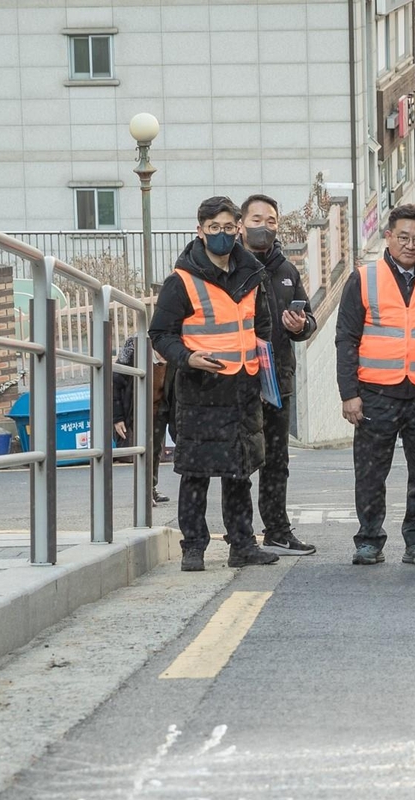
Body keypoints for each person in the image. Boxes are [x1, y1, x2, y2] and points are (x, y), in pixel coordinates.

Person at [150, 195, 277, 571]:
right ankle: (194, 548)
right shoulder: (182, 280)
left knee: (240, 472)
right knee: (196, 473)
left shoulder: (253, 274)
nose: (221, 234)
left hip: (243, 387)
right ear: (200, 231)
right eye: (213, 228)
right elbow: (161, 333)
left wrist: (263, 365)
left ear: (238, 228)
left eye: (227, 227)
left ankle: (242, 546)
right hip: (200, 389)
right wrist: (188, 357)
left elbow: (262, 326)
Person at [335, 203, 415, 566]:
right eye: (403, 236)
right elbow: (346, 338)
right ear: (388, 236)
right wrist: (349, 394)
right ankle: (369, 539)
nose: (410, 244)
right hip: (374, 395)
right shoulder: (364, 278)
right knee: (370, 473)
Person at [240, 194, 317, 555]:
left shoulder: (286, 270)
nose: (264, 226)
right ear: (241, 224)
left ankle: (277, 529)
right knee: (239, 460)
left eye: (271, 220)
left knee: (276, 461)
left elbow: (310, 322)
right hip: (237, 380)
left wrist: (299, 325)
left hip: (277, 380)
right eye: (257, 219)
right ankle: (239, 535)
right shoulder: (230, 267)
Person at [112, 337, 173, 504]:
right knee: (142, 451)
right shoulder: (133, 348)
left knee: (155, 450)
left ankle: (151, 489)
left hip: (159, 409)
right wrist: (117, 418)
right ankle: (143, 493)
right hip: (136, 408)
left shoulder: (174, 352)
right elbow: (115, 382)